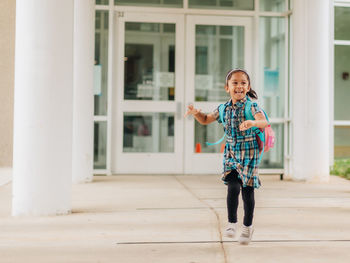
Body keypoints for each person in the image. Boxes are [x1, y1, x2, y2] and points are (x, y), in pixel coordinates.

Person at [184, 69, 268, 245]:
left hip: (249, 153)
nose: (239, 86)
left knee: (247, 192)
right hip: (231, 153)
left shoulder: (251, 106)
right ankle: (231, 223)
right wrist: (196, 113)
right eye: (235, 83)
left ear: (248, 87)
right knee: (232, 187)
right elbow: (206, 119)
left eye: (243, 83)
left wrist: (252, 122)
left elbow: (264, 122)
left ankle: (247, 226)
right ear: (227, 87)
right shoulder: (223, 108)